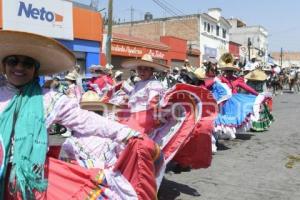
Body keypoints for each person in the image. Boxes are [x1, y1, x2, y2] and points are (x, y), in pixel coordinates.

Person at [0, 30, 158, 200]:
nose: (19, 67)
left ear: (35, 69)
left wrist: (126, 133)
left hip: (33, 178)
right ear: (4, 66)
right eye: (13, 61)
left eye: (27, 63)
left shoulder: (48, 98)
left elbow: (85, 119)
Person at [117, 54, 167, 134]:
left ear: (151, 71)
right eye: (140, 68)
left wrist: (156, 117)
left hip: (144, 119)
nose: (142, 71)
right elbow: (135, 96)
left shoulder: (154, 83)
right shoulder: (138, 83)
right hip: (133, 116)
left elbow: (154, 100)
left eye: (146, 69)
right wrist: (127, 98)